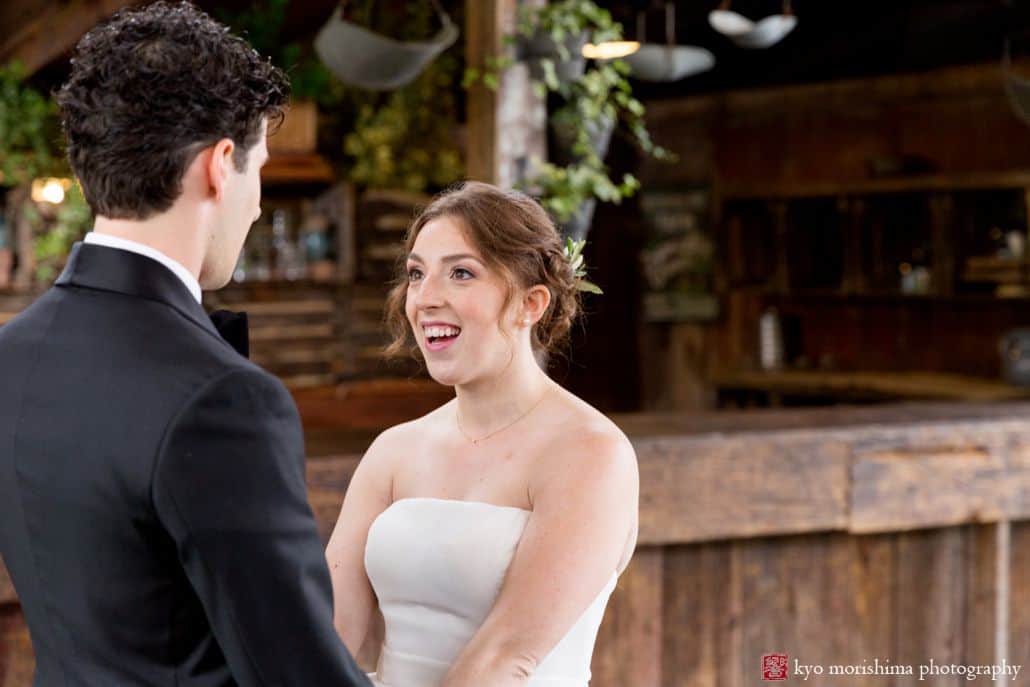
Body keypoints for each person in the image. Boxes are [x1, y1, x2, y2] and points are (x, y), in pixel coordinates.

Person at [0, 3, 370, 685]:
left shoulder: (10, 355)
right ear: (220, 165)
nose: (257, 207)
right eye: (258, 172)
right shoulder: (223, 400)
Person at [326, 181, 639, 687]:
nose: (425, 299)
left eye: (461, 273)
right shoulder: (393, 450)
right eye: (416, 274)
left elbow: (507, 657)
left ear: (530, 303)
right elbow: (334, 631)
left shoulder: (590, 453)